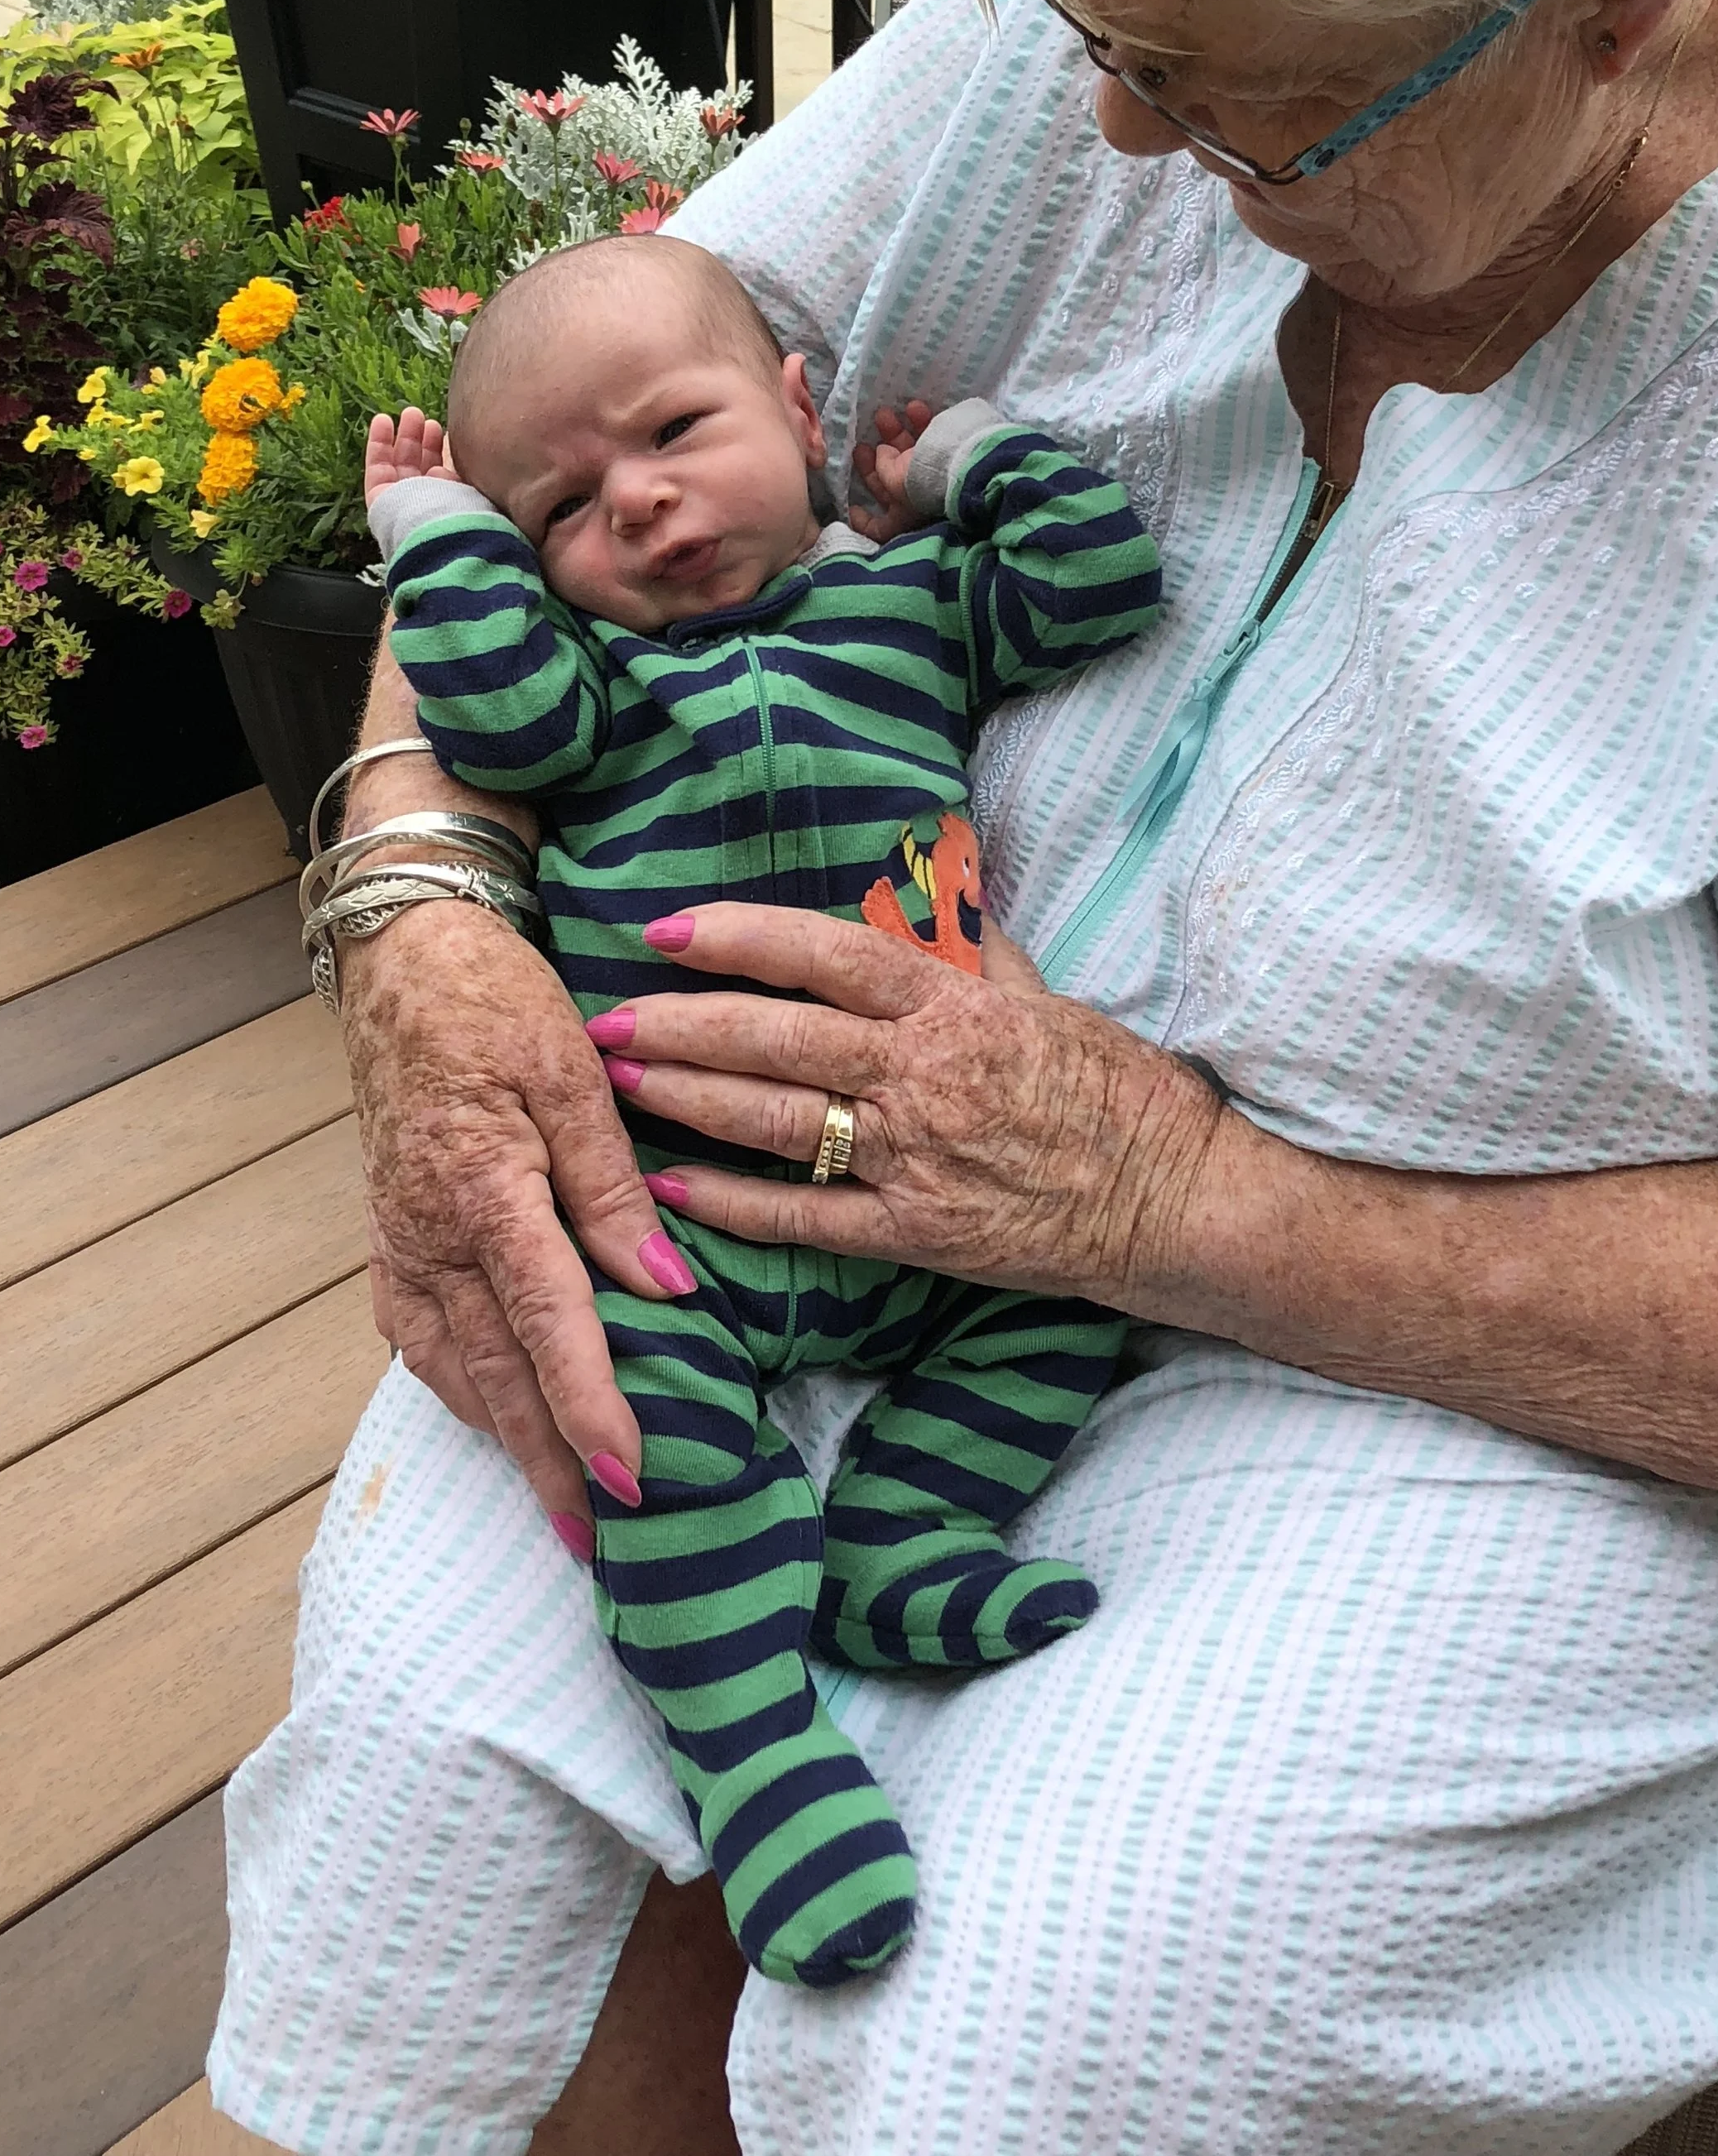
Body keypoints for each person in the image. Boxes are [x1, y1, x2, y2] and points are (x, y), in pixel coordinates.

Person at [209, 0, 1718, 2149]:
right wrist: (427, 911)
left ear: (1613, 2)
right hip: (817, 1184)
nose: (1105, 131)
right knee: (457, 1782)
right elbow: (548, 459)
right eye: (1091, 24)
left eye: (1219, 102)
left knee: (1017, 2037)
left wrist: (1188, 1203)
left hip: (1485, 1379)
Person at [358, 232, 1159, 1987]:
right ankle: (761, 1765)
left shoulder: (913, 603)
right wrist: (440, 541)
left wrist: (948, 460)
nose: (638, 507)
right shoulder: (585, 694)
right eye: (563, 505)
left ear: (793, 409)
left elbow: (1095, 577)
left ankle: (900, 1536)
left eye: (674, 431)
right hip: (675, 1218)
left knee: (1083, 1296)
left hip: (949, 1189)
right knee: (631, 1435)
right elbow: (480, 705)